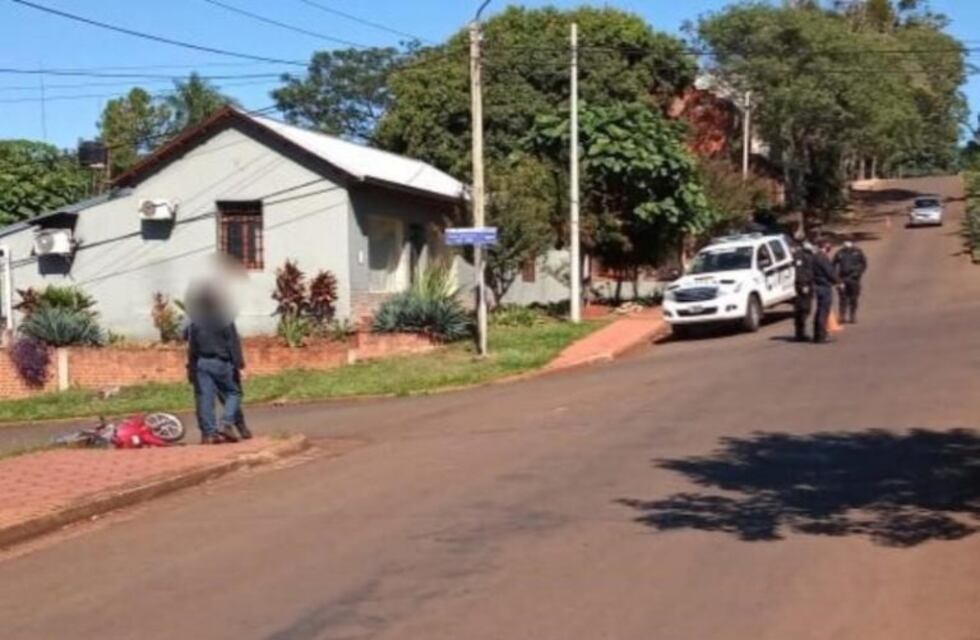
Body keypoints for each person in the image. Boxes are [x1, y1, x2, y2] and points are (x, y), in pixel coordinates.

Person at [186, 284, 246, 444]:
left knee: (205, 398)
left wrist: (191, 369)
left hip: (201, 363)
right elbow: (233, 343)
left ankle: (209, 434)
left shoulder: (195, 323)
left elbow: (192, 347)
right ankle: (226, 423)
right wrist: (239, 365)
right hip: (221, 363)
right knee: (234, 393)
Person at [812, 239, 842, 344]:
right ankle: (821, 336)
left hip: (818, 286)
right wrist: (838, 281)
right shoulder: (822, 258)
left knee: (820, 310)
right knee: (823, 312)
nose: (829, 248)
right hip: (824, 286)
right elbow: (829, 272)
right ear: (824, 246)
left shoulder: (814, 257)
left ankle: (817, 335)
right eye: (828, 246)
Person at [833, 240, 867, 324]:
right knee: (842, 298)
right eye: (845, 242)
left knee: (853, 298)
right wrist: (836, 278)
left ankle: (852, 316)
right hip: (842, 278)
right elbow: (833, 264)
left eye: (848, 242)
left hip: (854, 279)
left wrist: (858, 273)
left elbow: (864, 264)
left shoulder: (858, 252)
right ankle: (842, 316)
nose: (846, 244)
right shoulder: (840, 253)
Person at [791, 235, 816, 342]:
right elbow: (799, 272)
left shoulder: (809, 254)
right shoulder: (799, 256)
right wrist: (803, 285)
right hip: (803, 285)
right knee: (802, 309)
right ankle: (800, 333)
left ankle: (801, 332)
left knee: (806, 308)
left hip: (809, 284)